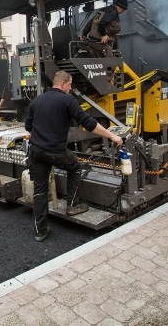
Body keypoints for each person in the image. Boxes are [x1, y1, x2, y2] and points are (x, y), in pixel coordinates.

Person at [25, 71, 124, 242]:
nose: (70, 88)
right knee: (76, 167)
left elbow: (28, 127)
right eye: (70, 85)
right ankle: (72, 205)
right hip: (55, 151)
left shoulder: (37, 100)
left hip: (35, 151)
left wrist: (43, 135)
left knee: (40, 191)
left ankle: (40, 231)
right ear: (63, 84)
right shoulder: (67, 100)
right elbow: (89, 123)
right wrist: (112, 136)